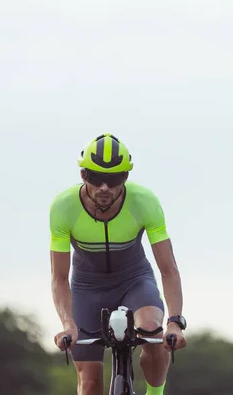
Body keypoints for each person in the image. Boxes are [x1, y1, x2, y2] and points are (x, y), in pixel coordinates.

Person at [50, 133, 187, 395]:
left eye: (114, 179)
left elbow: (169, 270)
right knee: (89, 385)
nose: (104, 187)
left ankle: (154, 394)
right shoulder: (63, 206)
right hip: (87, 289)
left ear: (126, 177)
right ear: (82, 175)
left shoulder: (145, 201)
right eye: (95, 177)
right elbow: (58, 278)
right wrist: (68, 323)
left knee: (153, 332)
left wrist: (175, 322)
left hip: (134, 281)